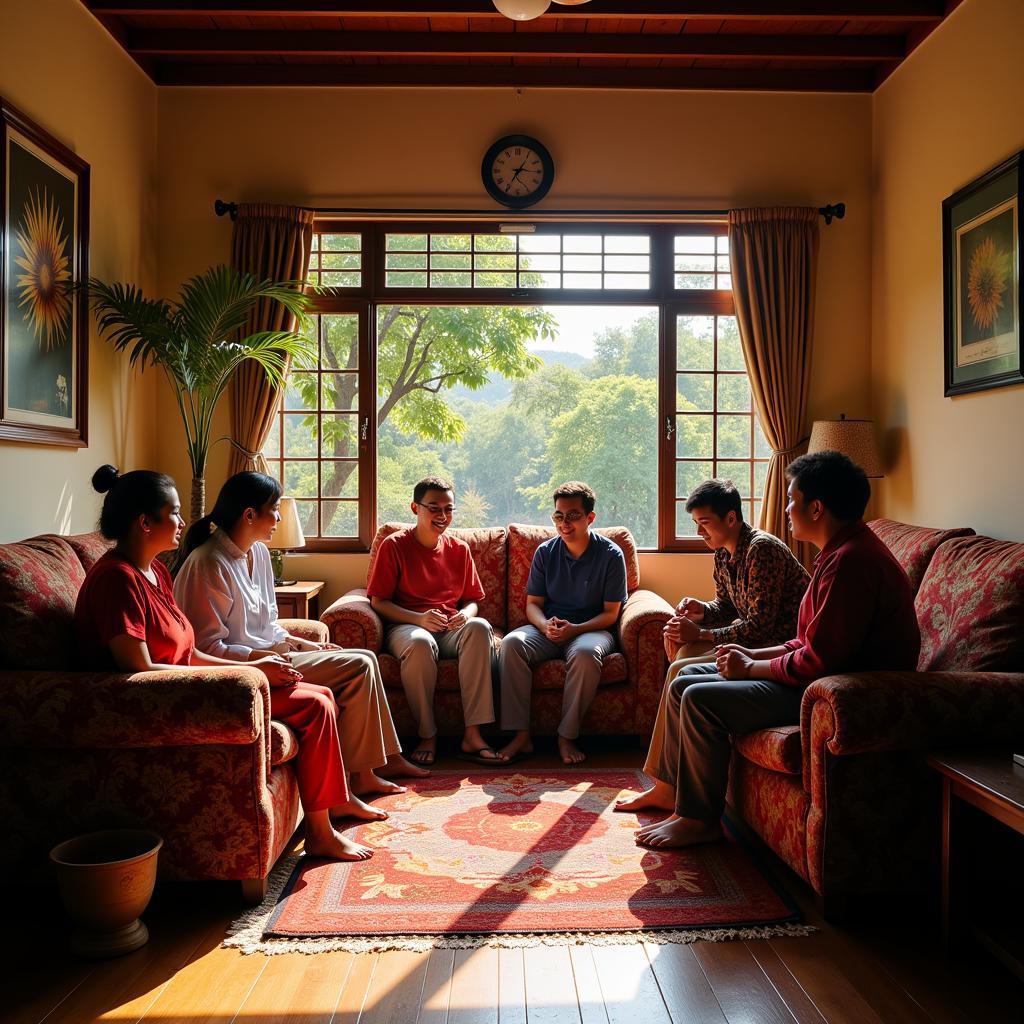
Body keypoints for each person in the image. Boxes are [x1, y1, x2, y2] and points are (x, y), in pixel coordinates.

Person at [74, 465, 373, 862]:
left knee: (320, 695)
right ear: (145, 522)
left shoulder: (155, 570)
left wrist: (255, 667)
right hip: (174, 696)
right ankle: (321, 833)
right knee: (315, 704)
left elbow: (191, 650)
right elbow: (139, 668)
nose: (184, 522)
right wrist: (245, 672)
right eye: (175, 513)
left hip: (201, 679)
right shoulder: (117, 579)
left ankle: (329, 813)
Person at [629, 450, 921, 849]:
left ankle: (699, 819)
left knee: (698, 697)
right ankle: (677, 795)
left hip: (837, 691)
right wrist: (748, 657)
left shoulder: (851, 563)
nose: (784, 508)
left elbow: (818, 659)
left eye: (791, 499)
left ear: (816, 508)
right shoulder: (836, 555)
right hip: (812, 673)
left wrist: (751, 666)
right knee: (685, 680)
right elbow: (804, 641)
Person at [173, 471, 426, 802]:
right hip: (251, 669)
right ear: (249, 515)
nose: (278, 517)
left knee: (362, 658)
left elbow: (268, 624)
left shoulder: (259, 553)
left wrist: (303, 643)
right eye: (274, 508)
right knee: (360, 664)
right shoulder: (208, 563)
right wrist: (261, 660)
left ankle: (371, 768)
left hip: (273, 656)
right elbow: (206, 647)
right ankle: (365, 772)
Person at [616, 478, 808, 813]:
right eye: (696, 525)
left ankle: (666, 787)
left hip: (777, 645)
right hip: (751, 639)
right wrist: (703, 611)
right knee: (682, 653)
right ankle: (665, 785)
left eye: (705, 523)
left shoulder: (762, 550)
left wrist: (702, 634)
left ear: (731, 518)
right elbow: (729, 608)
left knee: (681, 665)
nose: (700, 533)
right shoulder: (722, 554)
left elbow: (761, 625)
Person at [367, 476, 502, 767]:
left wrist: (465, 615)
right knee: (419, 642)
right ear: (415, 508)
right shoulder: (394, 546)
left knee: (480, 627)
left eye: (448, 509)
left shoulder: (459, 549)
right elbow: (378, 602)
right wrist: (419, 619)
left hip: (450, 628)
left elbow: (473, 602)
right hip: (407, 625)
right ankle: (427, 734)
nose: (442, 516)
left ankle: (473, 734)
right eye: (434, 508)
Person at [498, 481, 627, 766]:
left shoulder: (611, 555)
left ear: (590, 518)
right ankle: (521, 735)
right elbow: (532, 604)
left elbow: (611, 614)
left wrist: (576, 629)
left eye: (573, 516)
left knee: (584, 653)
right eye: (559, 515)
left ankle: (566, 736)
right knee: (511, 644)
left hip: (591, 629)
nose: (564, 523)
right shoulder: (546, 552)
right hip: (549, 626)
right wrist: (544, 626)